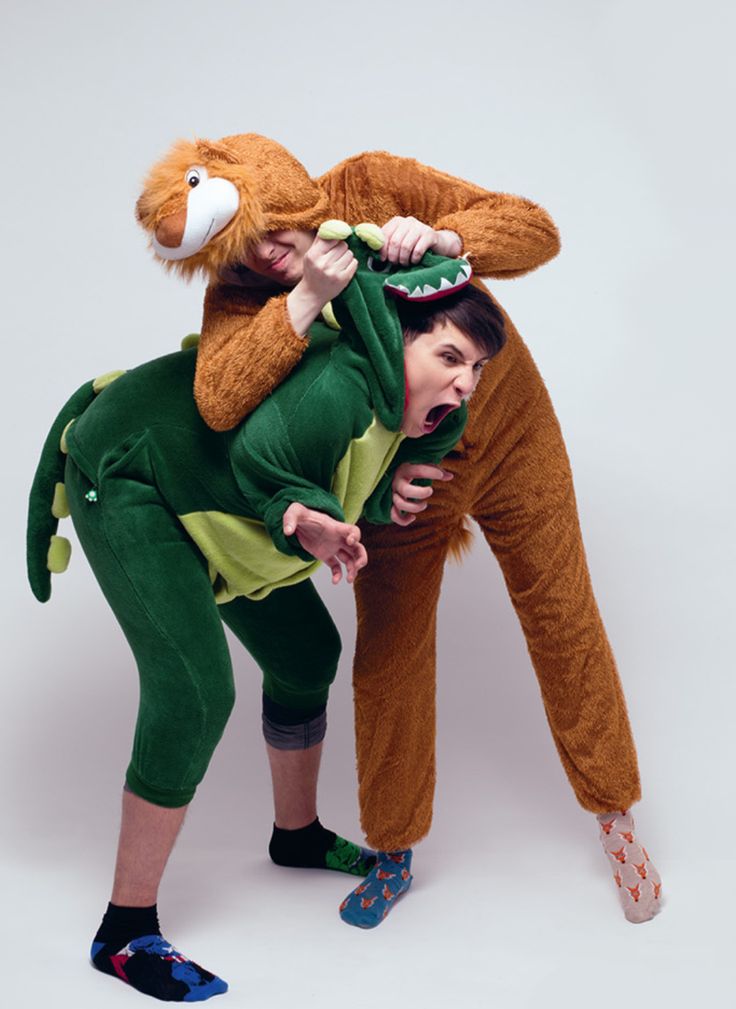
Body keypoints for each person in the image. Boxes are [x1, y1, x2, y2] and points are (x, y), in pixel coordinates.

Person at [134, 133, 662, 930]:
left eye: (269, 231)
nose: (263, 256)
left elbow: (534, 228)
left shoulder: (370, 184)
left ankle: (616, 817)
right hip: (410, 487)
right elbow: (218, 403)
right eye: (239, 253)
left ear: (279, 192)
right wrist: (302, 303)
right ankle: (394, 848)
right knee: (391, 653)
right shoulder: (244, 293)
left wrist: (453, 238)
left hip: (516, 430)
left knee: (563, 614)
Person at [27, 229, 506, 1001]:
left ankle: (296, 835)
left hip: (219, 488)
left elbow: (335, 464)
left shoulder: (406, 410)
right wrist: (309, 517)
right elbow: (260, 460)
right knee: (192, 691)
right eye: (448, 358)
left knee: (306, 655)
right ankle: (123, 932)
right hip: (130, 469)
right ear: (397, 341)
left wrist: (373, 498)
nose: (464, 384)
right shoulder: (347, 385)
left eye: (476, 368)